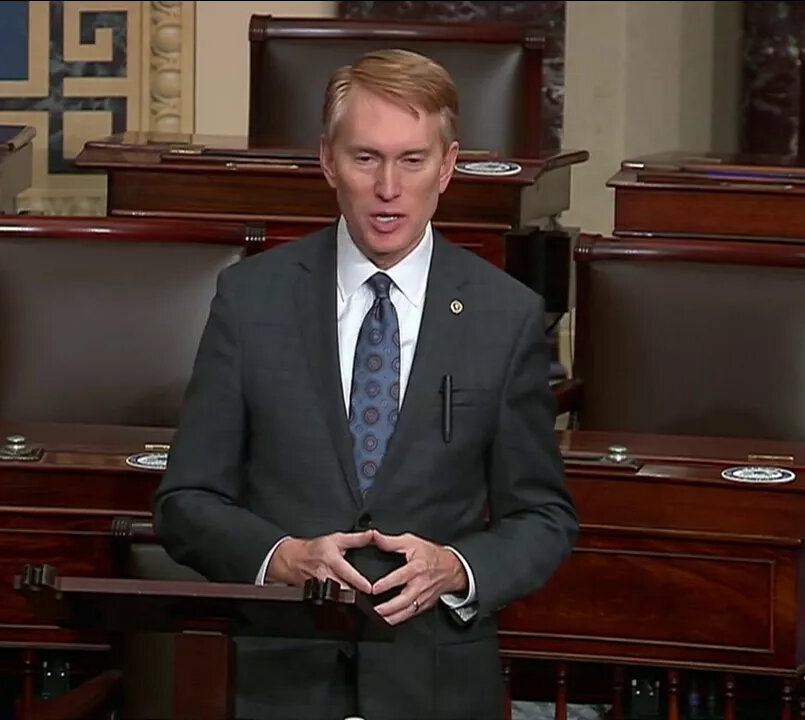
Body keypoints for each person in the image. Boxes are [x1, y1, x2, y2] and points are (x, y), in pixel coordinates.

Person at [153, 48, 578, 719]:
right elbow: (185, 501)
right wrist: (280, 557)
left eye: (412, 160)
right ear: (328, 161)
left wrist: (458, 569)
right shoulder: (251, 300)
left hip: (436, 684)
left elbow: (543, 518)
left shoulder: (506, 316)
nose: (389, 188)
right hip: (280, 679)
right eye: (365, 158)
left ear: (447, 166)